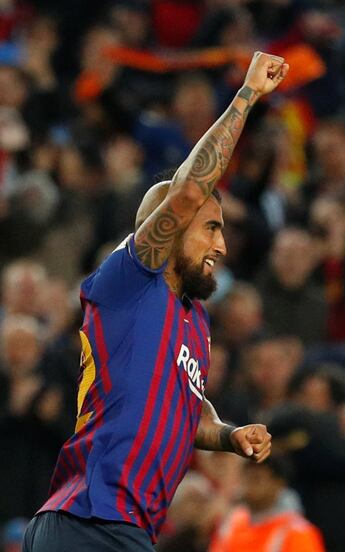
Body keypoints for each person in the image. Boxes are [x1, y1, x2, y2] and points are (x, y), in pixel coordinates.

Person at [22, 51, 289, 552]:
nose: (222, 246)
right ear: (169, 229)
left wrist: (228, 436)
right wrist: (247, 94)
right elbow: (189, 191)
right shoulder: (130, 281)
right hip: (88, 520)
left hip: (123, 530)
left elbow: (187, 412)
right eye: (211, 228)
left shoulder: (196, 323)